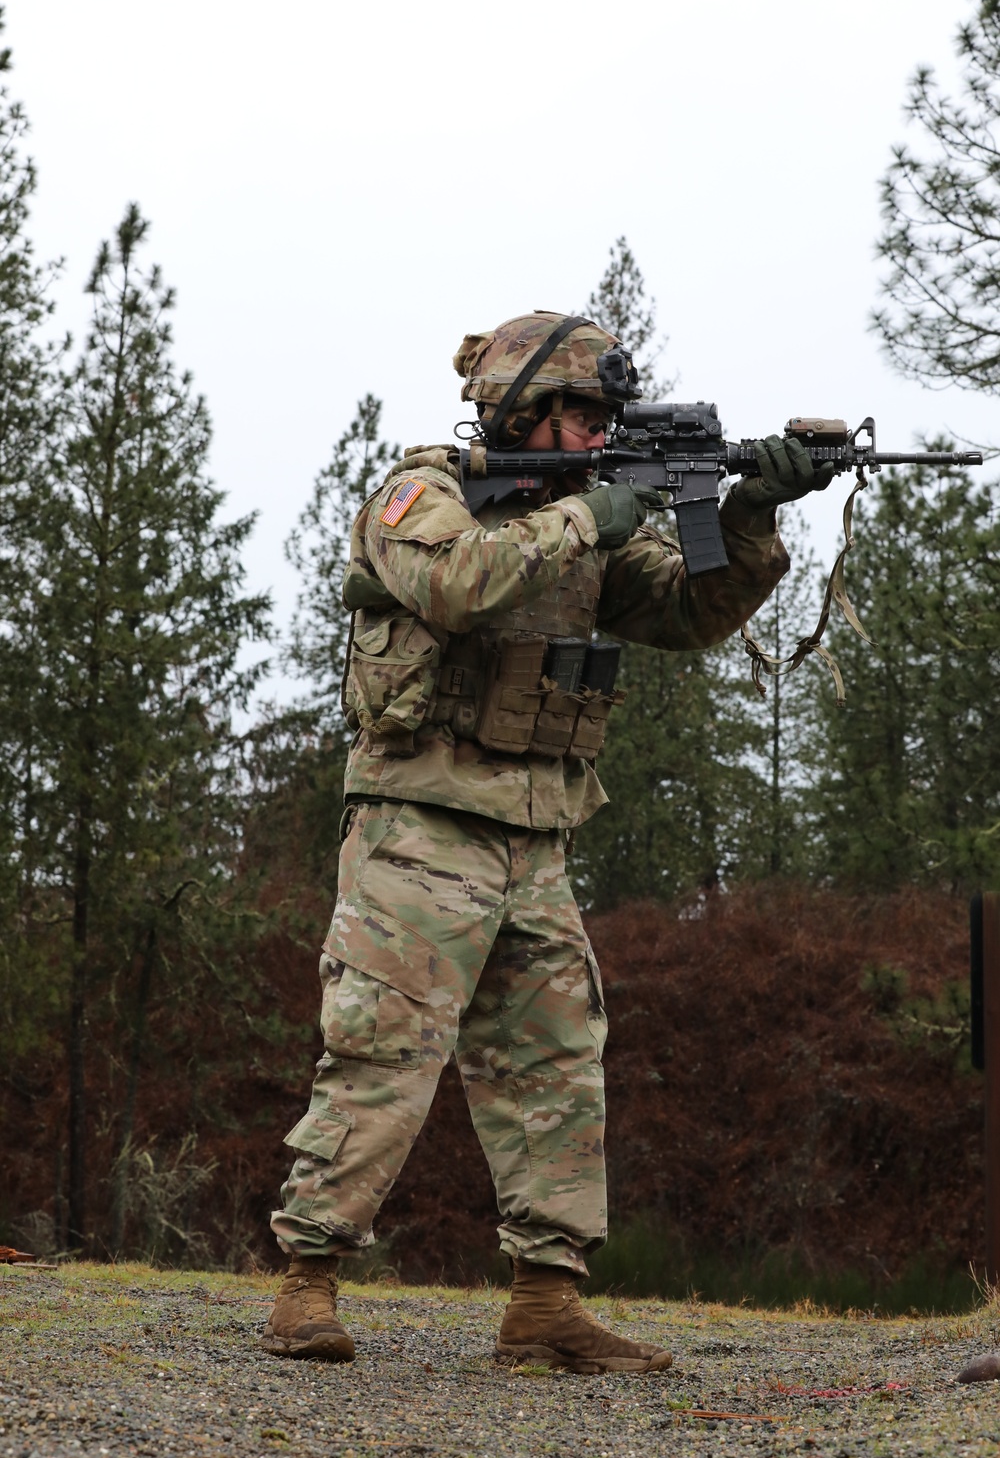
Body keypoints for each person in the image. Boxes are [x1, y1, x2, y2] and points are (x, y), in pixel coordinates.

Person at [262, 312, 832, 1371]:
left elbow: (686, 613)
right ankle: (306, 1281)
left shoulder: (585, 515)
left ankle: (544, 1302)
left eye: (597, 416)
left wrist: (748, 515)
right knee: (383, 1055)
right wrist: (591, 517)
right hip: (420, 827)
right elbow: (457, 583)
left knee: (558, 1068)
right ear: (510, 408)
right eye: (565, 413)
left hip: (537, 837)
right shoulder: (421, 492)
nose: (583, 435)